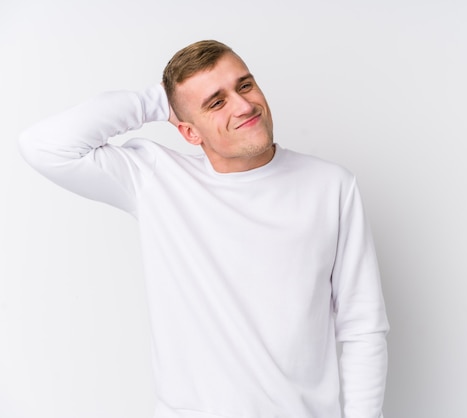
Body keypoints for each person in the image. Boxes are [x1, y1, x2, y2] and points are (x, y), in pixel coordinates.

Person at [18, 40, 389, 418]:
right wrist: (158, 100)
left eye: (244, 85)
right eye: (216, 101)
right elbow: (44, 146)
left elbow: (362, 328)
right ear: (190, 133)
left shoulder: (331, 186)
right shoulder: (156, 179)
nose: (244, 106)